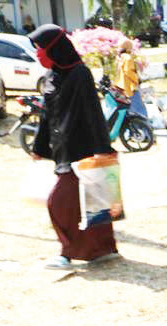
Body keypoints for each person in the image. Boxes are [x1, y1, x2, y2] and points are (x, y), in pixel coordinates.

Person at [29, 25, 119, 270]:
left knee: (59, 203)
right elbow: (47, 115)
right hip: (62, 148)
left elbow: (92, 112)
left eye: (41, 49)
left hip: (83, 149)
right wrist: (39, 146)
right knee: (90, 202)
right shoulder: (52, 76)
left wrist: (102, 147)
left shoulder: (79, 74)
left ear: (55, 48)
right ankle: (102, 249)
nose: (38, 54)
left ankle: (67, 252)